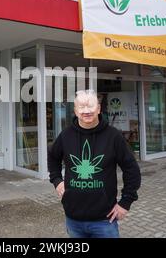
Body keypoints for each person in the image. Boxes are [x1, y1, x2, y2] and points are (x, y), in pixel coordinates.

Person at [48, 90, 141, 238]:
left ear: (98, 108)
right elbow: (53, 157)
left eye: (90, 106)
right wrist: (57, 180)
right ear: (75, 111)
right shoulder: (66, 135)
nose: (86, 111)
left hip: (104, 220)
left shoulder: (113, 136)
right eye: (81, 107)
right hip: (73, 219)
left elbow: (132, 170)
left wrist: (125, 202)